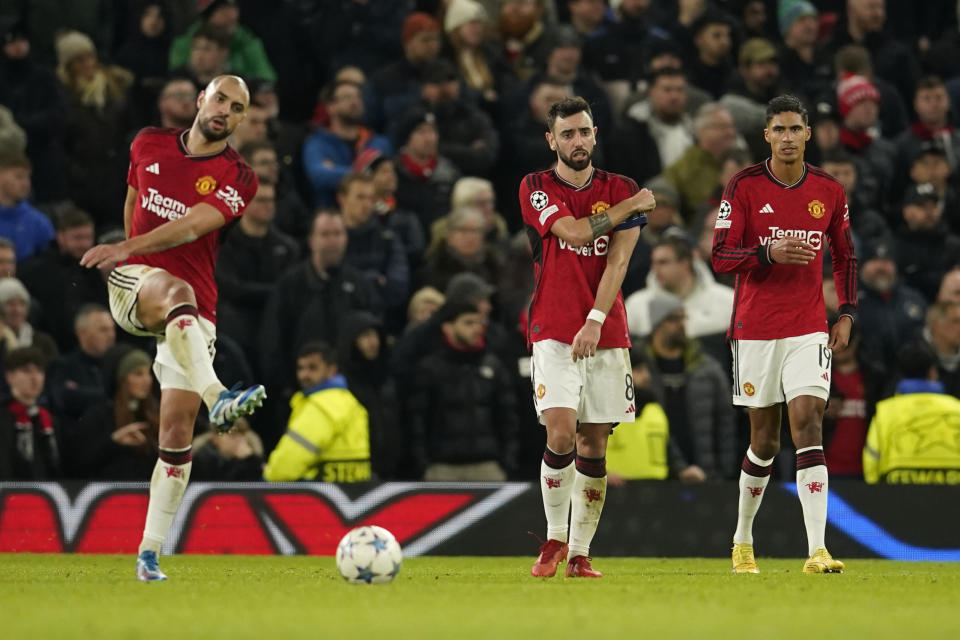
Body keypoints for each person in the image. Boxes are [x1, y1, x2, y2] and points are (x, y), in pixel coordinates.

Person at [78, 75, 266, 582]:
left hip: (193, 307)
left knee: (177, 432)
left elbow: (193, 225)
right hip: (135, 285)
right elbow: (132, 204)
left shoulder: (239, 177)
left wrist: (125, 244)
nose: (225, 109)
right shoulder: (148, 142)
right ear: (201, 98)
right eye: (221, 98)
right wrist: (126, 252)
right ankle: (219, 395)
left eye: (238, 107)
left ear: (244, 119)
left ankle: (148, 553)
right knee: (175, 292)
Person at [712, 94, 858, 574]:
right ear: (767, 136)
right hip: (754, 329)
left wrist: (847, 312)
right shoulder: (744, 186)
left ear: (808, 134)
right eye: (780, 129)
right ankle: (742, 540)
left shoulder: (829, 191)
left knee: (809, 423)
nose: (789, 137)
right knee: (765, 442)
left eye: (797, 129)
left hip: (807, 327)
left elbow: (844, 255)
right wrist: (767, 252)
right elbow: (719, 256)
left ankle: (817, 549)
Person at [519, 96, 655, 578]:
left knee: (595, 441)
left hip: (606, 332)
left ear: (596, 134)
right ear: (551, 140)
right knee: (561, 430)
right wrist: (631, 207)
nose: (578, 141)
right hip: (553, 329)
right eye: (568, 134)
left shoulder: (620, 187)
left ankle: (580, 553)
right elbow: (575, 233)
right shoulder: (535, 187)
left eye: (584, 132)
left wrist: (596, 319)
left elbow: (617, 262)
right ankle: (553, 539)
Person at [263, 342, 370, 483]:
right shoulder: (349, 401)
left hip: (318, 496)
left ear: (331, 370)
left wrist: (267, 478)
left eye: (312, 368)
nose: (304, 375)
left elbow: (286, 466)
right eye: (300, 368)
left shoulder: (321, 406)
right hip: (352, 491)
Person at [863, 340, 960, 484]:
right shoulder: (956, 408)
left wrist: (879, 494)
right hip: (952, 496)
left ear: (901, 374)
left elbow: (871, 459)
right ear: (932, 372)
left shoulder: (886, 411)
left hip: (898, 494)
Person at [0, 346, 59, 479]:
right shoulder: (3, 418)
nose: (35, 378)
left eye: (39, 371)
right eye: (26, 371)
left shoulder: (48, 419)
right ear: (10, 377)